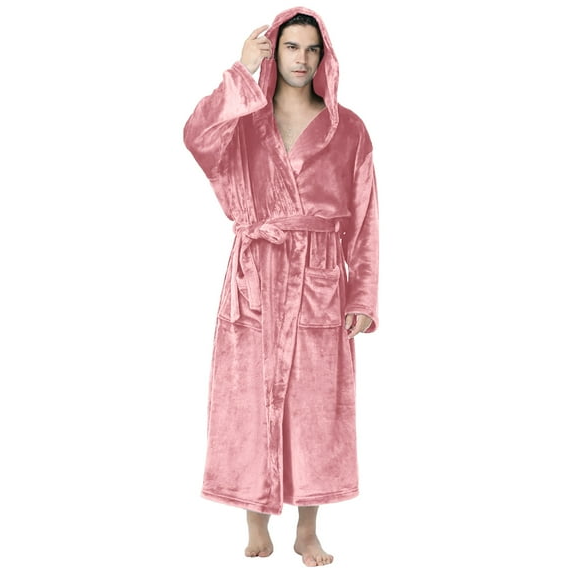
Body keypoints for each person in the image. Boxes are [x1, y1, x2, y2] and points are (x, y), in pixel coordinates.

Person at [183, 7, 379, 567]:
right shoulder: (246, 119)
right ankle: (255, 519)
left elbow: (365, 217)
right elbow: (195, 136)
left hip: (321, 279)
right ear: (275, 51)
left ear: (324, 57)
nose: (302, 58)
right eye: (292, 46)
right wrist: (240, 71)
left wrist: (362, 296)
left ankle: (307, 530)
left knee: (315, 407)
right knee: (250, 397)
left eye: (312, 49)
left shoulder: (349, 128)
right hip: (256, 273)